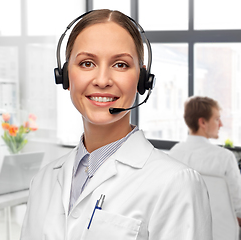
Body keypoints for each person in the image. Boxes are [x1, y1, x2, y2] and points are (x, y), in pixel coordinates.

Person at [21, 9, 212, 239]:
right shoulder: (43, 181)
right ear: (65, 76)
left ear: (142, 80)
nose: (102, 80)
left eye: (120, 64)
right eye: (87, 63)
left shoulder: (176, 183)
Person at [169, 96, 241, 226]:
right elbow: (238, 207)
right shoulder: (225, 157)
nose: (221, 124)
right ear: (202, 122)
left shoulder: (173, 153)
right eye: (217, 119)